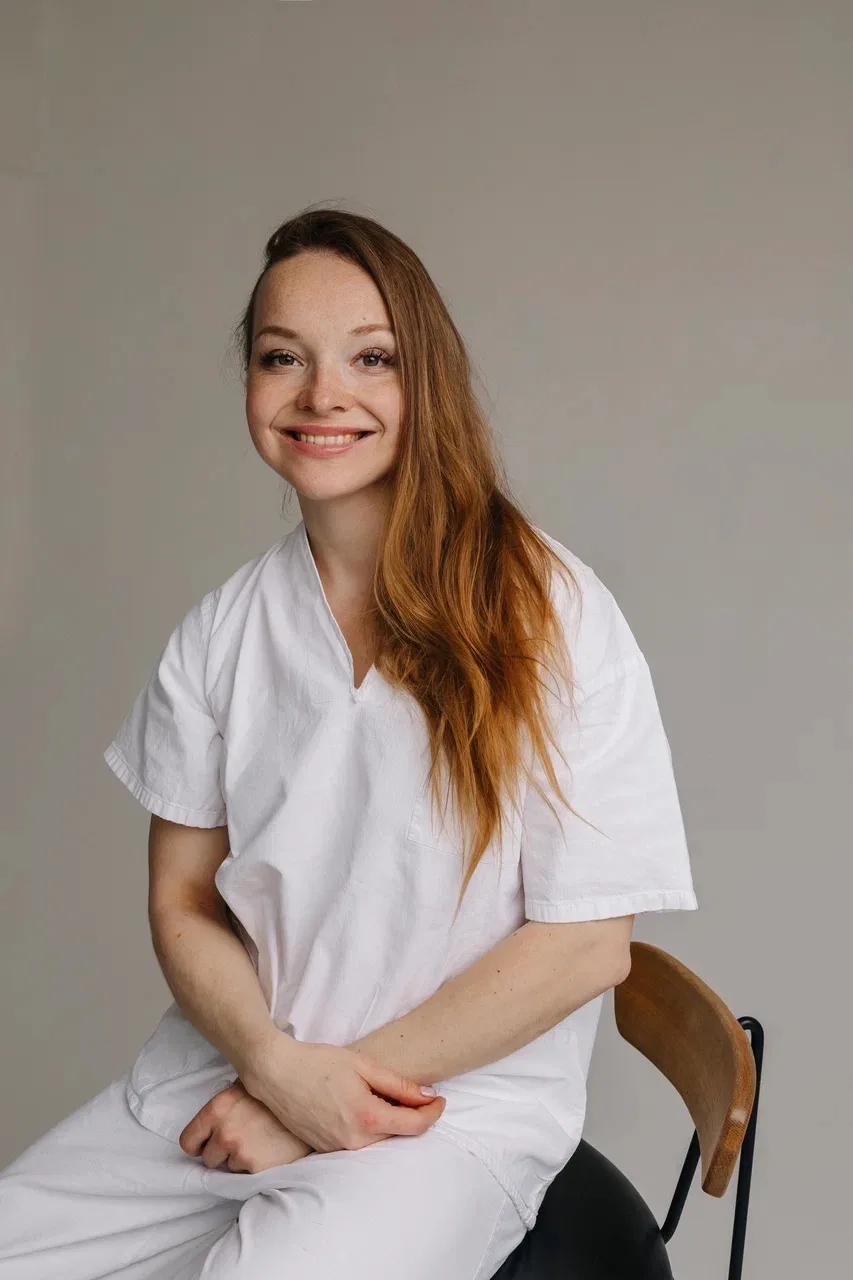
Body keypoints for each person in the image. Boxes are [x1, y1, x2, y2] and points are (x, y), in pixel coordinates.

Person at [0, 207, 698, 1280]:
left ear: (427, 380)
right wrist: (272, 1065)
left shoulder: (550, 614)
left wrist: (322, 1094)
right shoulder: (225, 630)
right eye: (283, 357)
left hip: (444, 1113)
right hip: (227, 1074)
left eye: (371, 358)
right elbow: (182, 898)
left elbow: (586, 945)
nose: (322, 395)